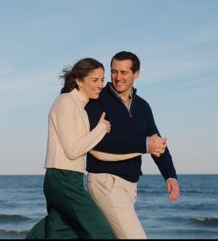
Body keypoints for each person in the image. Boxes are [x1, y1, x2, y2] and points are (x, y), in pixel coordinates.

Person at [26, 57, 141, 239]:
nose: (100, 85)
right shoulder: (65, 102)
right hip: (63, 177)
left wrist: (141, 148)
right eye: (94, 80)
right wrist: (101, 129)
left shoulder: (80, 107)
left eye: (102, 80)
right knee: (102, 232)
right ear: (79, 81)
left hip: (70, 178)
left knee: (60, 232)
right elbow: (73, 150)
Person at [85, 51, 180, 239]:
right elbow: (99, 141)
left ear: (136, 74)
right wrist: (144, 145)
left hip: (131, 185)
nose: (117, 77)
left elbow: (156, 141)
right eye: (114, 72)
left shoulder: (143, 106)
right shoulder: (98, 100)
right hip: (106, 181)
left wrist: (170, 176)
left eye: (124, 72)